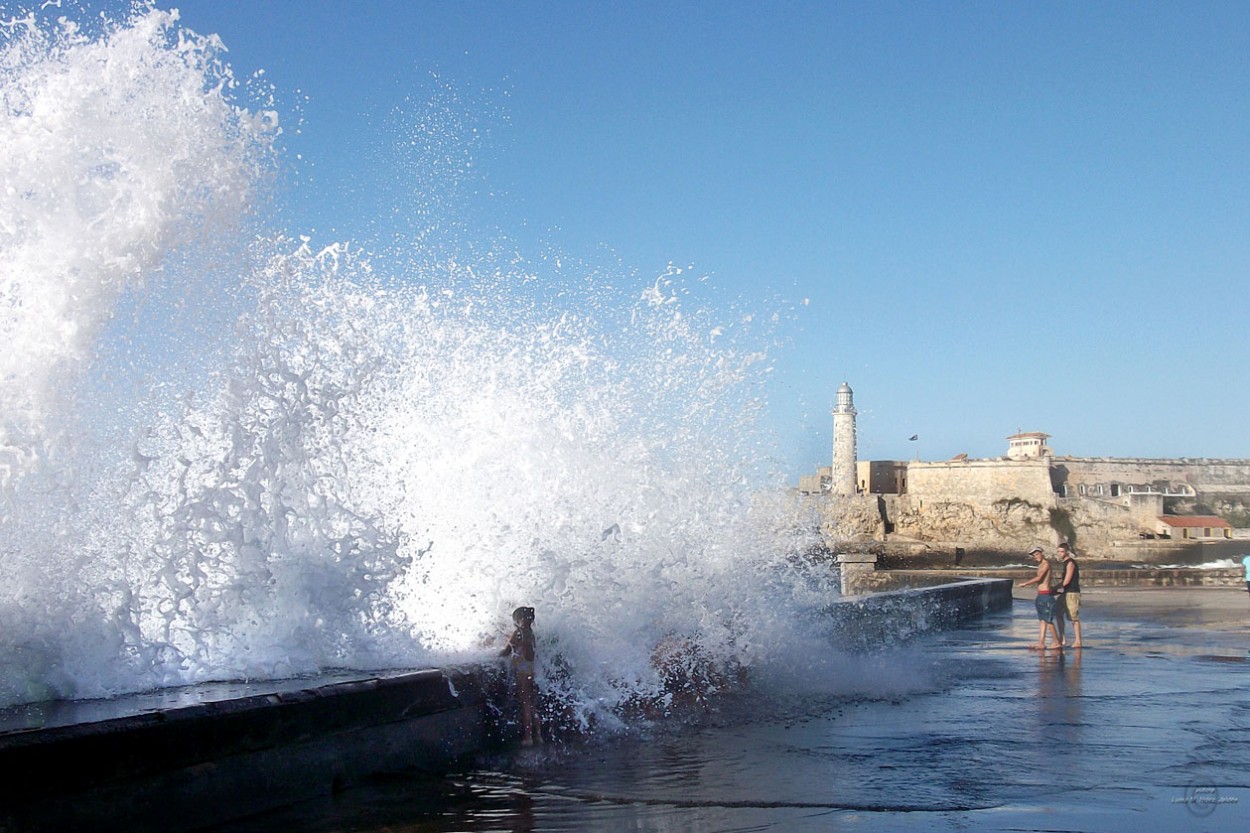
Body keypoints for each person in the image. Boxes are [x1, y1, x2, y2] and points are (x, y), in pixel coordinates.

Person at [500, 606, 542, 746]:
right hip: (531, 671)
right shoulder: (531, 633)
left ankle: (527, 737)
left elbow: (506, 652)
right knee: (532, 705)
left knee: (525, 705)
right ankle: (538, 735)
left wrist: (492, 656)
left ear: (520, 620)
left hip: (522, 673)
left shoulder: (519, 633)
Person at [1017, 546, 1061, 649]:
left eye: (1037, 554)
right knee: (1042, 620)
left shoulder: (1046, 564)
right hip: (1041, 595)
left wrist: (1025, 583)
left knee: (1048, 620)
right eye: (1034, 555)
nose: (1035, 557)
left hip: (1046, 595)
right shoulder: (1040, 565)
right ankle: (1041, 642)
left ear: (1041, 553)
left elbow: (1039, 578)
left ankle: (1056, 642)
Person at [1057, 542, 1083, 648]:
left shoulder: (1070, 563)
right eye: (1058, 551)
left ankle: (1078, 640)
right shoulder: (1065, 563)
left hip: (1073, 593)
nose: (1060, 553)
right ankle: (1062, 639)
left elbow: (1066, 581)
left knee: (1073, 617)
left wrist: (1054, 588)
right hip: (1066, 592)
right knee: (1058, 613)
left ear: (1067, 552)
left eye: (1062, 551)